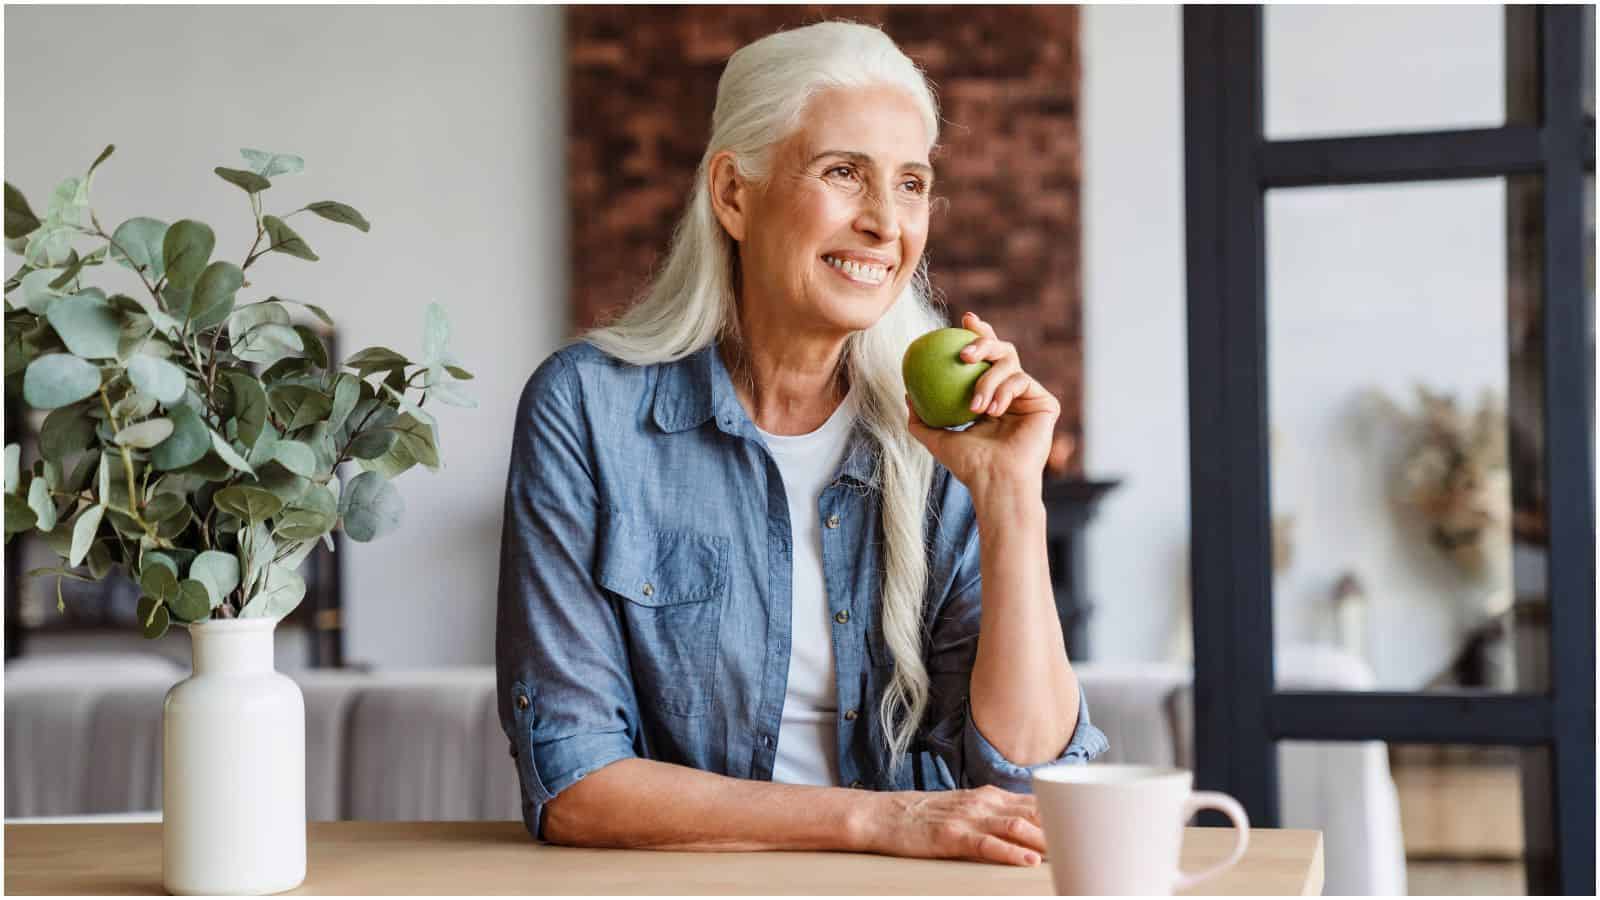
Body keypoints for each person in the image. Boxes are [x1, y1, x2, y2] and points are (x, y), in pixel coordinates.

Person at [495, 19, 1107, 868]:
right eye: (843, 173)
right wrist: (880, 821)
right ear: (733, 194)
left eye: (912, 183)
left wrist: (1010, 496)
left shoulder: (950, 432)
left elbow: (1035, 783)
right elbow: (574, 783)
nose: (885, 224)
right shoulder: (588, 411)